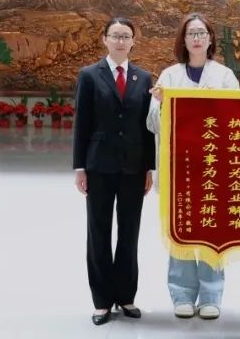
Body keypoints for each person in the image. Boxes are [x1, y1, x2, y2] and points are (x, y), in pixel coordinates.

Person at [147, 12, 240, 320]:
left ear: (210, 38)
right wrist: (161, 103)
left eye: (202, 33)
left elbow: (238, 121)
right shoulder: (169, 76)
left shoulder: (225, 76)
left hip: (213, 166)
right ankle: (182, 294)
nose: (197, 38)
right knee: (181, 231)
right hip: (179, 169)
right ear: (183, 40)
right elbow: (152, 123)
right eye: (191, 33)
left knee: (212, 230)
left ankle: (211, 295)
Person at [72, 17, 154, 326]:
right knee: (99, 232)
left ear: (133, 41)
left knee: (130, 232)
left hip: (134, 166)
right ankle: (102, 301)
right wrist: (80, 167)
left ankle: (126, 296)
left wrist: (149, 168)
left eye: (126, 36)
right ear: (104, 39)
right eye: (115, 36)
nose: (121, 41)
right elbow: (82, 123)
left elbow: (147, 127)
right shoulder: (89, 75)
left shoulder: (143, 78)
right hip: (99, 166)